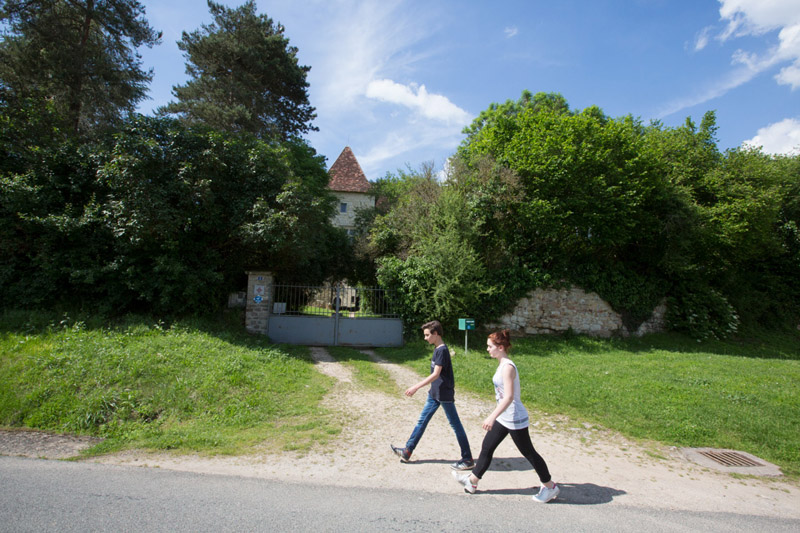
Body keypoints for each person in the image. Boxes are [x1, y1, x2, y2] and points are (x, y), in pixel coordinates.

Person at [452, 329, 560, 503]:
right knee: (487, 446)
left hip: (514, 417)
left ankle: (550, 487)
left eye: (490, 346)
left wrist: (491, 416)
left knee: (529, 452)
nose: (487, 349)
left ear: (500, 347)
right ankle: (472, 482)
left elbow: (509, 397)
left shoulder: (508, 367)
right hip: (505, 415)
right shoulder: (502, 364)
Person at [390, 320, 475, 471]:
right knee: (421, 422)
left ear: (436, 334)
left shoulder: (442, 350)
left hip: (444, 394)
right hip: (434, 393)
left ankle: (467, 458)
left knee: (456, 425)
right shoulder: (437, 349)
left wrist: (416, 386)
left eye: (427, 335)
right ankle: (408, 450)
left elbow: (436, 374)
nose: (425, 338)